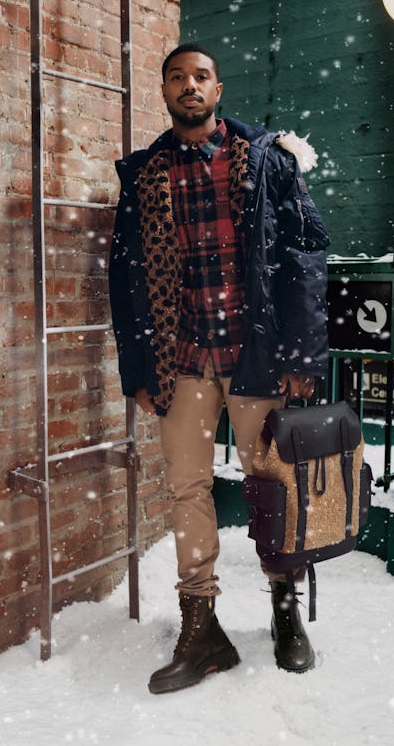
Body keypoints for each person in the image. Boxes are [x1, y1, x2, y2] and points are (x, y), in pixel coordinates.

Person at [109, 43, 330, 694]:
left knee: (273, 482)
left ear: (218, 87)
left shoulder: (265, 162)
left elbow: (305, 256)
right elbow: (124, 280)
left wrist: (301, 355)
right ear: (165, 92)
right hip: (182, 361)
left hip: (256, 353)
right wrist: (139, 369)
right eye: (176, 77)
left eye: (199, 76)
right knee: (186, 489)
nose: (189, 86)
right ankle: (200, 628)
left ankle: (286, 615)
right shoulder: (146, 176)